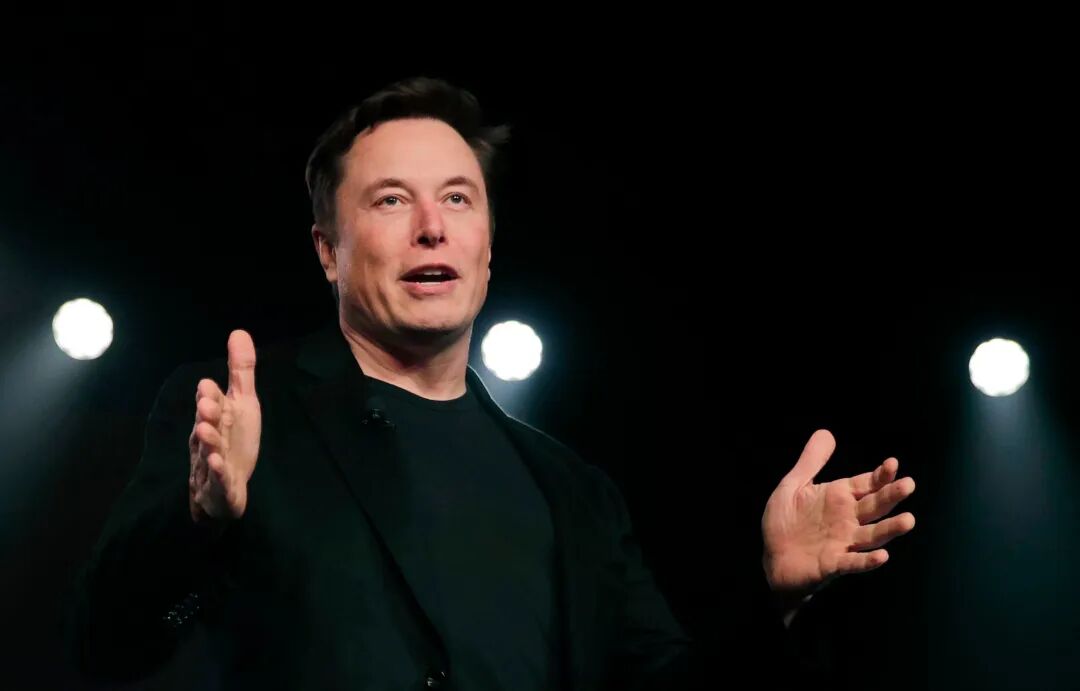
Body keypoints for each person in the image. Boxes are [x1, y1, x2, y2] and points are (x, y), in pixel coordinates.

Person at [68, 77, 916, 690]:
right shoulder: (240, 414)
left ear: (488, 244)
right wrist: (201, 524)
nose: (432, 227)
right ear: (328, 250)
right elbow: (108, 644)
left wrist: (773, 598)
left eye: (458, 199)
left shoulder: (573, 490)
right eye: (391, 201)